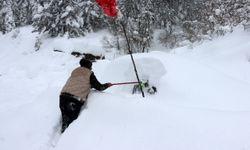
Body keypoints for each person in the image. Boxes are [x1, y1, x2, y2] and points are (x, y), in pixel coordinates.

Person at [59, 58, 111, 133]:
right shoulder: (89, 73)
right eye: (91, 66)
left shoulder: (75, 71)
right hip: (74, 99)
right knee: (71, 125)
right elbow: (99, 87)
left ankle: (63, 132)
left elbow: (80, 82)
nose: (91, 68)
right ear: (89, 66)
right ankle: (66, 139)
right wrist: (107, 85)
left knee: (66, 120)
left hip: (63, 96)